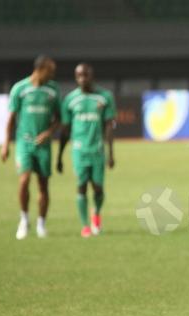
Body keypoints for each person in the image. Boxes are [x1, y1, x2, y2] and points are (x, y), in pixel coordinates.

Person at [1, 55, 61, 239]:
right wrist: (5, 144)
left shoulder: (53, 90)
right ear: (41, 69)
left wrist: (48, 133)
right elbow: (11, 119)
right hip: (24, 142)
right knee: (24, 180)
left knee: (43, 185)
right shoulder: (20, 89)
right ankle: (24, 220)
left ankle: (41, 223)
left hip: (43, 145)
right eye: (50, 71)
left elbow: (58, 118)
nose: (53, 75)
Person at [57, 63, 116, 238]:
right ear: (76, 78)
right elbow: (65, 130)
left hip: (97, 150)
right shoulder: (70, 100)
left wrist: (111, 153)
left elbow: (109, 126)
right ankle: (85, 226)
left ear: (92, 76)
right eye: (79, 76)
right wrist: (59, 156)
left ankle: (96, 213)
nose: (83, 79)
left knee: (98, 188)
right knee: (81, 186)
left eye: (86, 75)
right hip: (79, 151)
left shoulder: (104, 97)